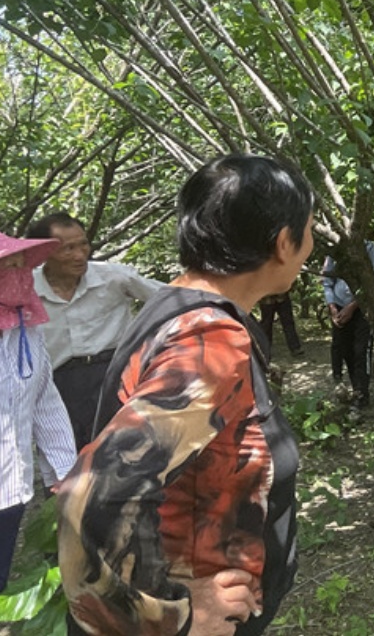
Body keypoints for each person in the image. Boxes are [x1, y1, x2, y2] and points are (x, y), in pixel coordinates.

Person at [59, 154, 313, 635]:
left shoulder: (175, 306)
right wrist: (171, 617)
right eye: (310, 230)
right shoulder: (210, 343)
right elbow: (92, 498)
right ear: (284, 242)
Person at [0, 228, 78, 636]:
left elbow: (45, 402)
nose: (20, 271)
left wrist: (64, 473)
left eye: (23, 263)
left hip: (7, 489)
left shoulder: (26, 332)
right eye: (9, 263)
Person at [27, 212, 163, 450]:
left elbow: (173, 299)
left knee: (125, 451)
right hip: (57, 385)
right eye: (67, 249)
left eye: (83, 245)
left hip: (113, 375)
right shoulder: (26, 290)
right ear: (43, 253)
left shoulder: (114, 278)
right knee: (68, 456)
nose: (80, 256)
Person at [322, 239, 374, 408]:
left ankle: (362, 394)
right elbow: (327, 281)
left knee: (361, 351)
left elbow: (372, 281)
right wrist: (332, 307)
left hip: (361, 308)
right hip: (339, 308)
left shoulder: (369, 248)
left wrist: (352, 307)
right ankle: (353, 389)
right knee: (344, 349)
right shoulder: (334, 250)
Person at [257, 291, 304, 360]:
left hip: (282, 296)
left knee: (288, 322)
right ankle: (265, 350)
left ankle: (295, 348)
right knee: (266, 325)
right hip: (267, 298)